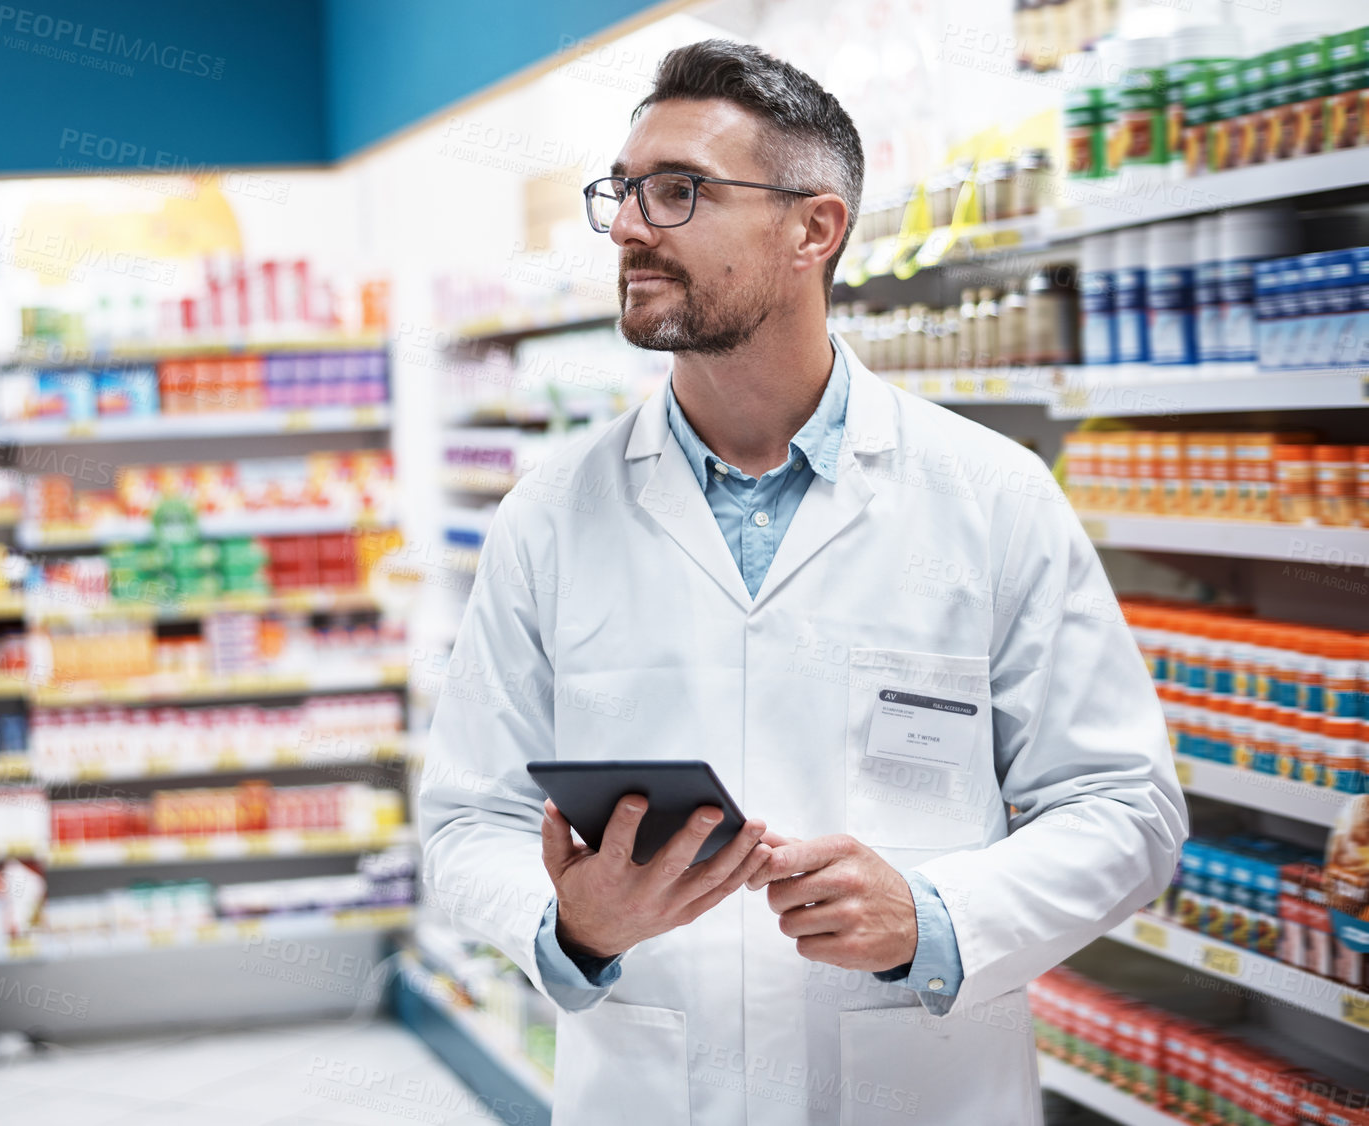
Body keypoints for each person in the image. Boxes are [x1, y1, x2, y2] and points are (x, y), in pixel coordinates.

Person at [418, 39, 1187, 1125]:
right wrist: (572, 924)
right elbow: (464, 819)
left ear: (810, 229)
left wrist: (933, 915)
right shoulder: (548, 515)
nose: (631, 226)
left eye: (678, 191)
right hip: (650, 1086)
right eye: (624, 192)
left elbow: (1123, 805)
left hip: (915, 1091)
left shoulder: (989, 496)